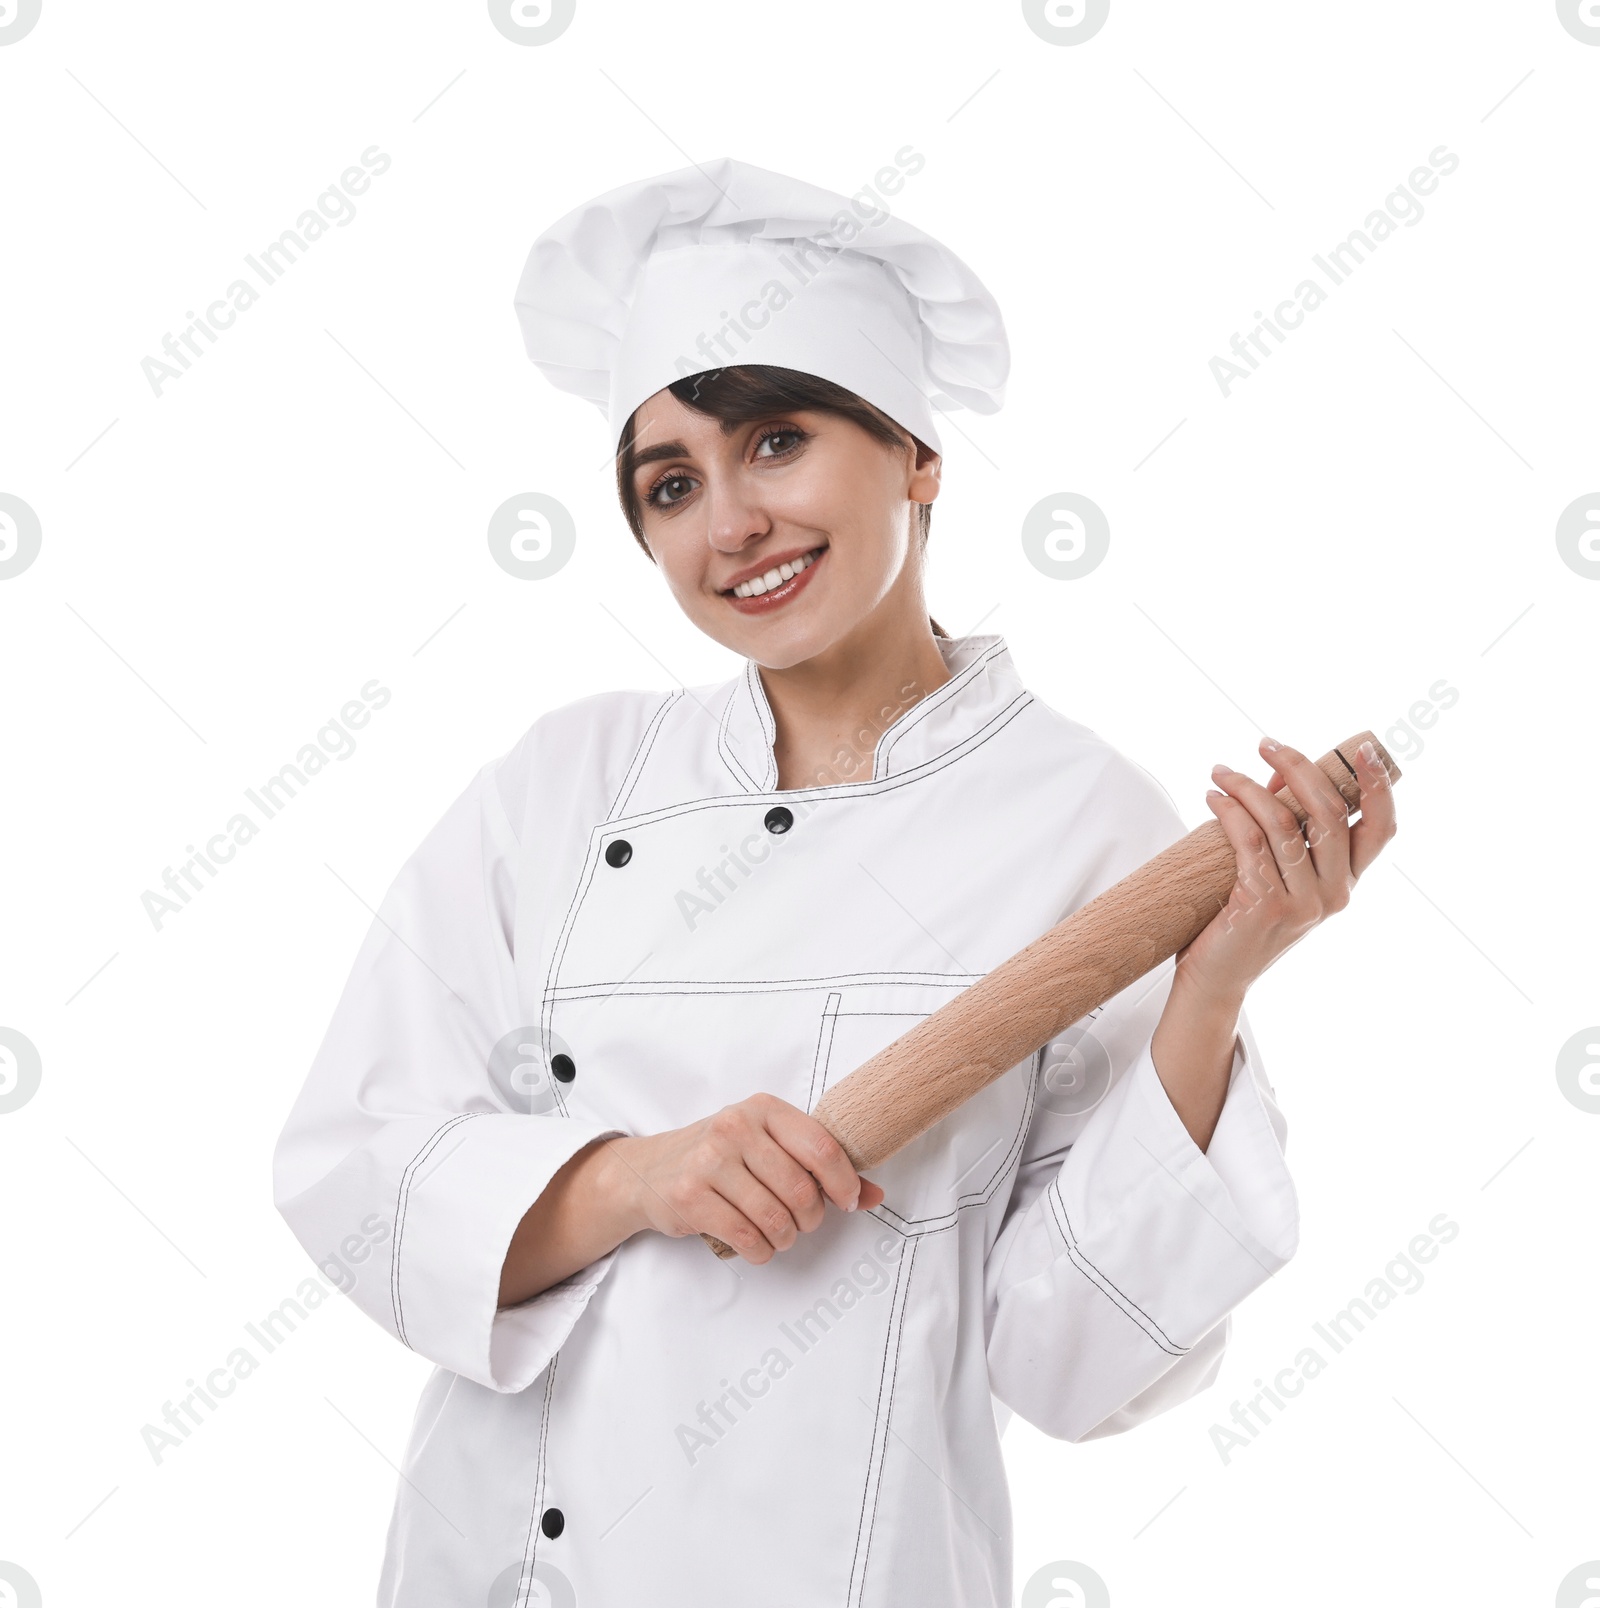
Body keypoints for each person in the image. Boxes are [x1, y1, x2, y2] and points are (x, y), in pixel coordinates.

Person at [272, 156, 1396, 1607]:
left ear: (919, 456)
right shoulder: (562, 787)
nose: (727, 522)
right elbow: (352, 1163)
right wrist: (635, 1177)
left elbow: (1071, 1364)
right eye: (670, 486)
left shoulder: (1083, 829)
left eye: (778, 441)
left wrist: (1216, 985)